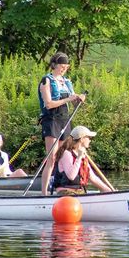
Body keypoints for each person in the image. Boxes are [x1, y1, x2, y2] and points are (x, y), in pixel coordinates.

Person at [39, 52, 86, 196]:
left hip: (65, 120)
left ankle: (61, 186)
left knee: (64, 154)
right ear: (54, 65)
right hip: (52, 120)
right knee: (52, 157)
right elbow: (49, 104)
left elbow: (72, 98)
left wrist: (79, 98)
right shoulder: (46, 80)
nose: (64, 69)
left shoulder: (66, 82)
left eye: (66, 67)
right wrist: (68, 99)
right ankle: (44, 193)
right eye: (61, 66)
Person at [51, 125, 111, 194]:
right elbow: (71, 176)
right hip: (65, 192)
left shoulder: (83, 156)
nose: (90, 140)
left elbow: (92, 177)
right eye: (88, 138)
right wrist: (79, 157)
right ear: (82, 139)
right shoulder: (66, 154)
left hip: (78, 191)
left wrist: (107, 189)